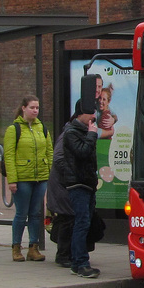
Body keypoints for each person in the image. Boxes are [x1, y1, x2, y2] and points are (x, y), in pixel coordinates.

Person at [3, 95, 53, 262]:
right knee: (21, 213)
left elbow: (49, 152)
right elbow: (9, 156)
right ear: (23, 108)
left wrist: (51, 174)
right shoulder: (14, 129)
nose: (35, 111)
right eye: (32, 107)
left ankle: (34, 247)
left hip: (40, 178)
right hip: (22, 178)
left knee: (36, 213)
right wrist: (12, 179)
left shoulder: (42, 128)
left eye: (37, 108)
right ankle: (16, 247)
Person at [58, 97, 101, 278]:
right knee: (81, 223)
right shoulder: (71, 132)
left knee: (85, 222)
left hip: (88, 183)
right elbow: (82, 152)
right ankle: (81, 262)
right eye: (91, 113)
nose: (94, 116)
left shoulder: (82, 131)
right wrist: (92, 134)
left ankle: (77, 262)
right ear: (80, 114)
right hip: (78, 183)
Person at [45, 128, 74, 267]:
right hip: (63, 184)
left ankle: (67, 253)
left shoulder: (74, 133)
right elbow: (58, 158)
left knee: (67, 218)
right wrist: (73, 174)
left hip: (65, 184)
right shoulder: (67, 135)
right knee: (66, 217)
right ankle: (63, 255)